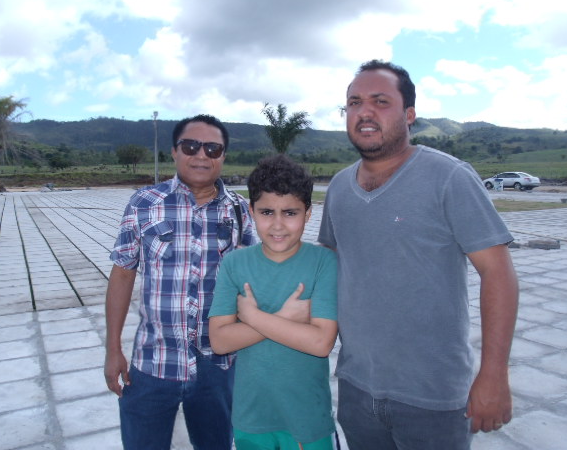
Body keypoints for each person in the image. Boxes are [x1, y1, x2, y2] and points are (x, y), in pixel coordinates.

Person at [318, 60, 519, 450]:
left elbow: (498, 273)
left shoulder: (449, 177)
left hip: (432, 399)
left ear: (409, 114)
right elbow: (328, 261)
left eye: (380, 101)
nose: (364, 112)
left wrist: (494, 375)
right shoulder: (339, 188)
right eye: (354, 102)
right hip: (356, 388)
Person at [104, 114, 257, 450]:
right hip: (153, 362)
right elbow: (123, 274)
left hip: (217, 365)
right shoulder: (144, 204)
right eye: (190, 146)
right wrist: (113, 349)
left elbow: (253, 282)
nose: (201, 155)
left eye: (212, 148)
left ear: (223, 156)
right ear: (174, 151)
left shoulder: (239, 211)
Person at [209, 154, 339, 450]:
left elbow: (321, 343)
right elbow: (219, 341)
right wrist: (285, 317)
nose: (278, 225)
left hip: (307, 419)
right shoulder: (234, 264)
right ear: (251, 211)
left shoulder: (323, 262)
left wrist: (252, 317)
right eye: (267, 212)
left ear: (308, 214)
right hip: (251, 417)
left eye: (290, 213)